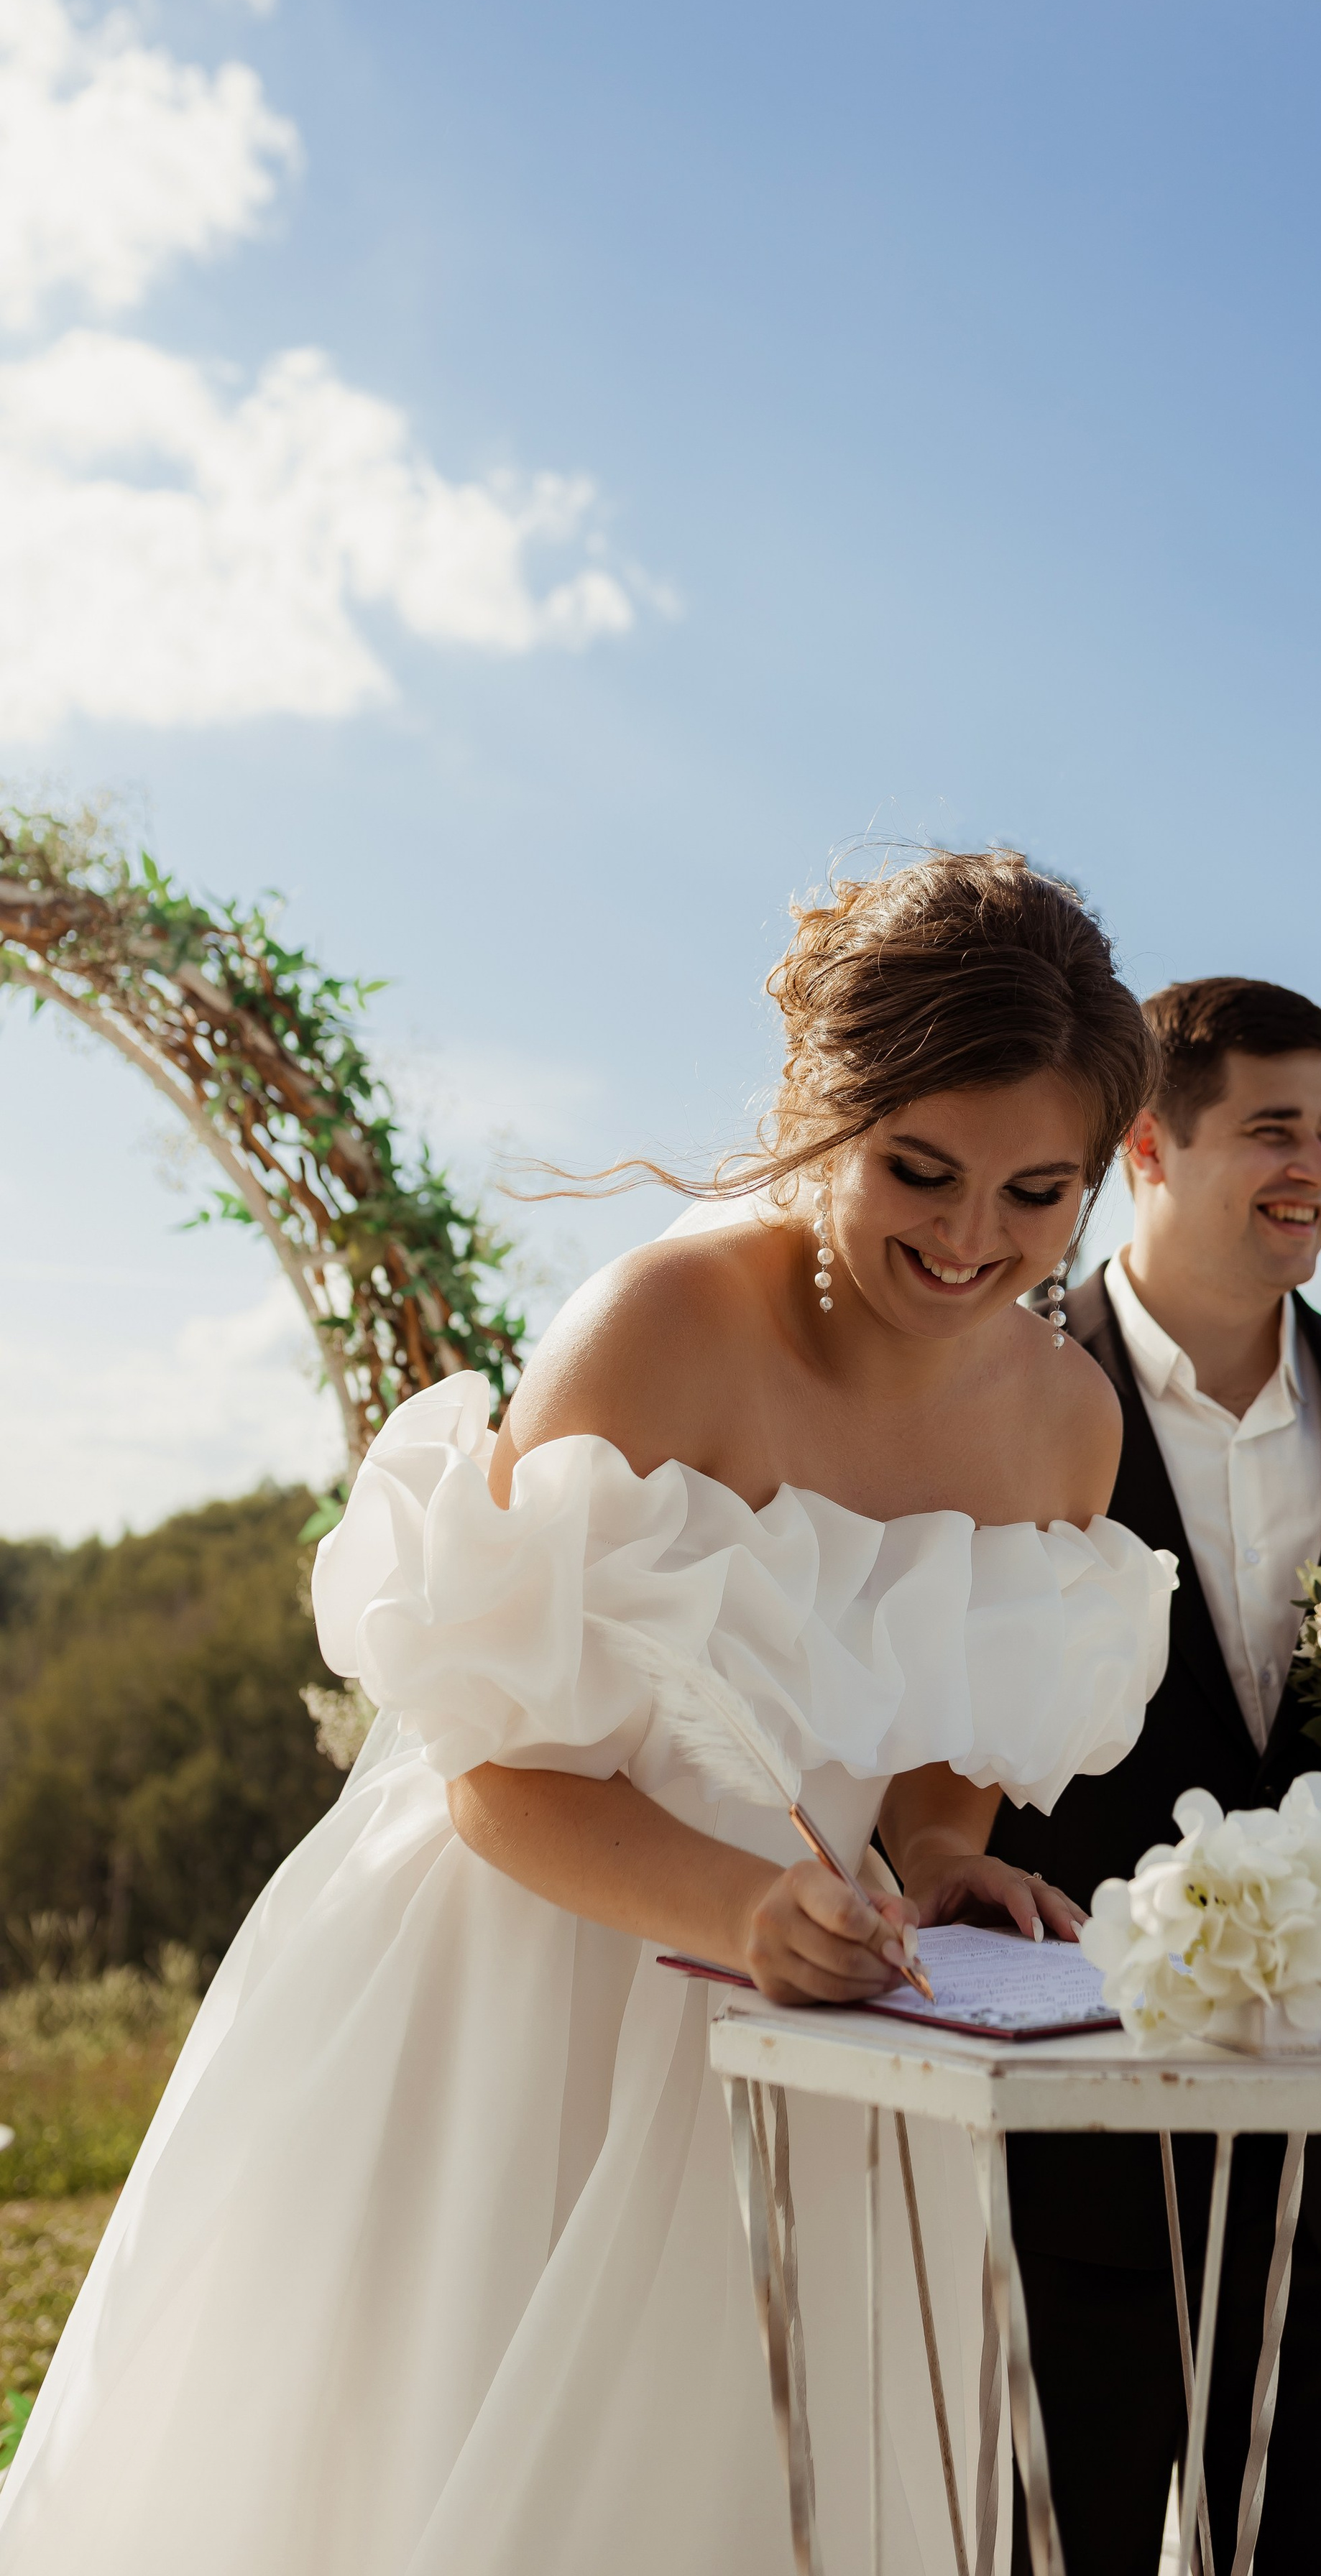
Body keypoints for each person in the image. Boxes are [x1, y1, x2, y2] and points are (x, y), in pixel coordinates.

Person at [0, 850, 1179, 2576]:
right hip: (521, 1972)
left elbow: (955, 1713)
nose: (967, 1240)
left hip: (821, 2005)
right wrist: (736, 1906)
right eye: (917, 1170)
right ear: (818, 1113)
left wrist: (936, 1849)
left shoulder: (1063, 1420)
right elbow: (485, 1769)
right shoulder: (665, 1322)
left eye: (1034, 1194)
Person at [990, 974, 1321, 2576]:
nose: (1312, 1167)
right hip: (1070, 2124)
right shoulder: (1000, 1385)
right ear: (1147, 1144)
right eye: (1272, 1129)